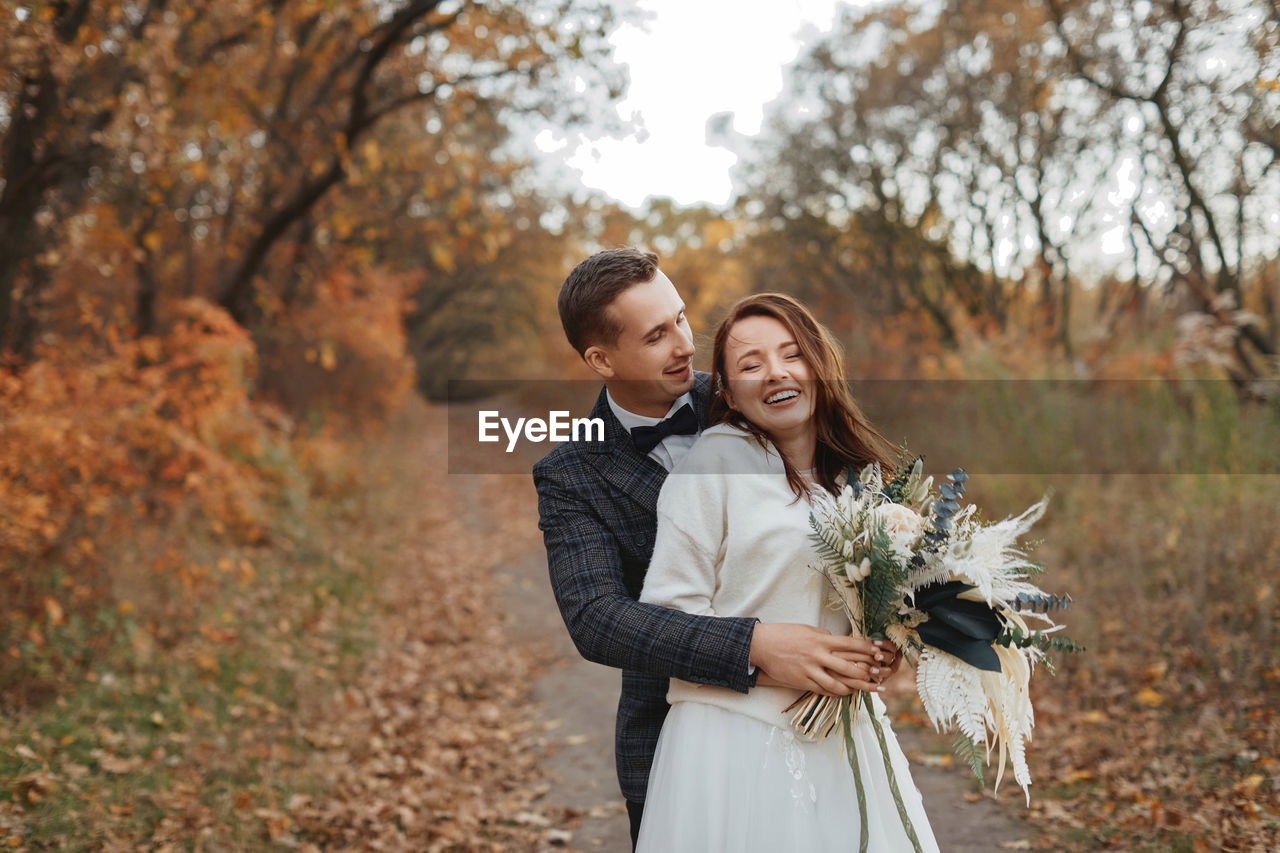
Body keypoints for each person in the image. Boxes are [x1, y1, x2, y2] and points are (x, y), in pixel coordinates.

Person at [533, 249, 897, 849]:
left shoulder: (755, 386)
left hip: (829, 722)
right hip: (684, 742)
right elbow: (597, 619)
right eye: (656, 335)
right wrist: (755, 646)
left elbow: (850, 509)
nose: (683, 344)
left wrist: (883, 625)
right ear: (601, 358)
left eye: (680, 318)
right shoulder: (571, 472)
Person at [635, 292, 940, 852]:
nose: (775, 372)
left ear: (819, 365)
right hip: (734, 738)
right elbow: (665, 621)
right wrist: (772, 660)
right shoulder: (713, 464)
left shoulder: (862, 480)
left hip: (844, 738)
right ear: (726, 391)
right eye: (750, 364)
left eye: (792, 353)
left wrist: (882, 645)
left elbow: (864, 604)